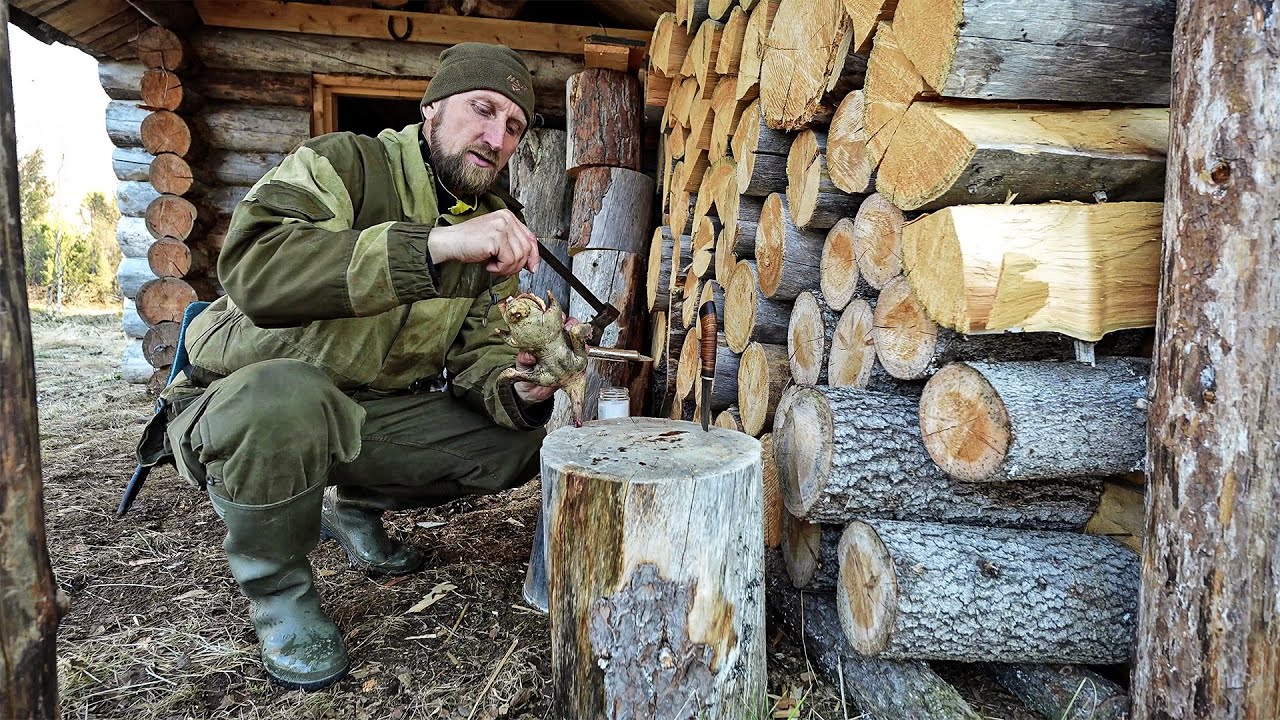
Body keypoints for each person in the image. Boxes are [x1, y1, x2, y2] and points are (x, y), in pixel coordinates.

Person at [134, 43, 567, 691]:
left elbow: (482, 356)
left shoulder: (489, 225)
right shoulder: (346, 163)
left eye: (513, 126)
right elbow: (257, 267)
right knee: (287, 396)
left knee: (521, 438)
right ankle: (280, 595)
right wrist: (433, 244)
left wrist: (524, 383)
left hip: (361, 413)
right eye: (481, 110)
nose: (495, 136)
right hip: (241, 402)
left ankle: (356, 505)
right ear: (432, 107)